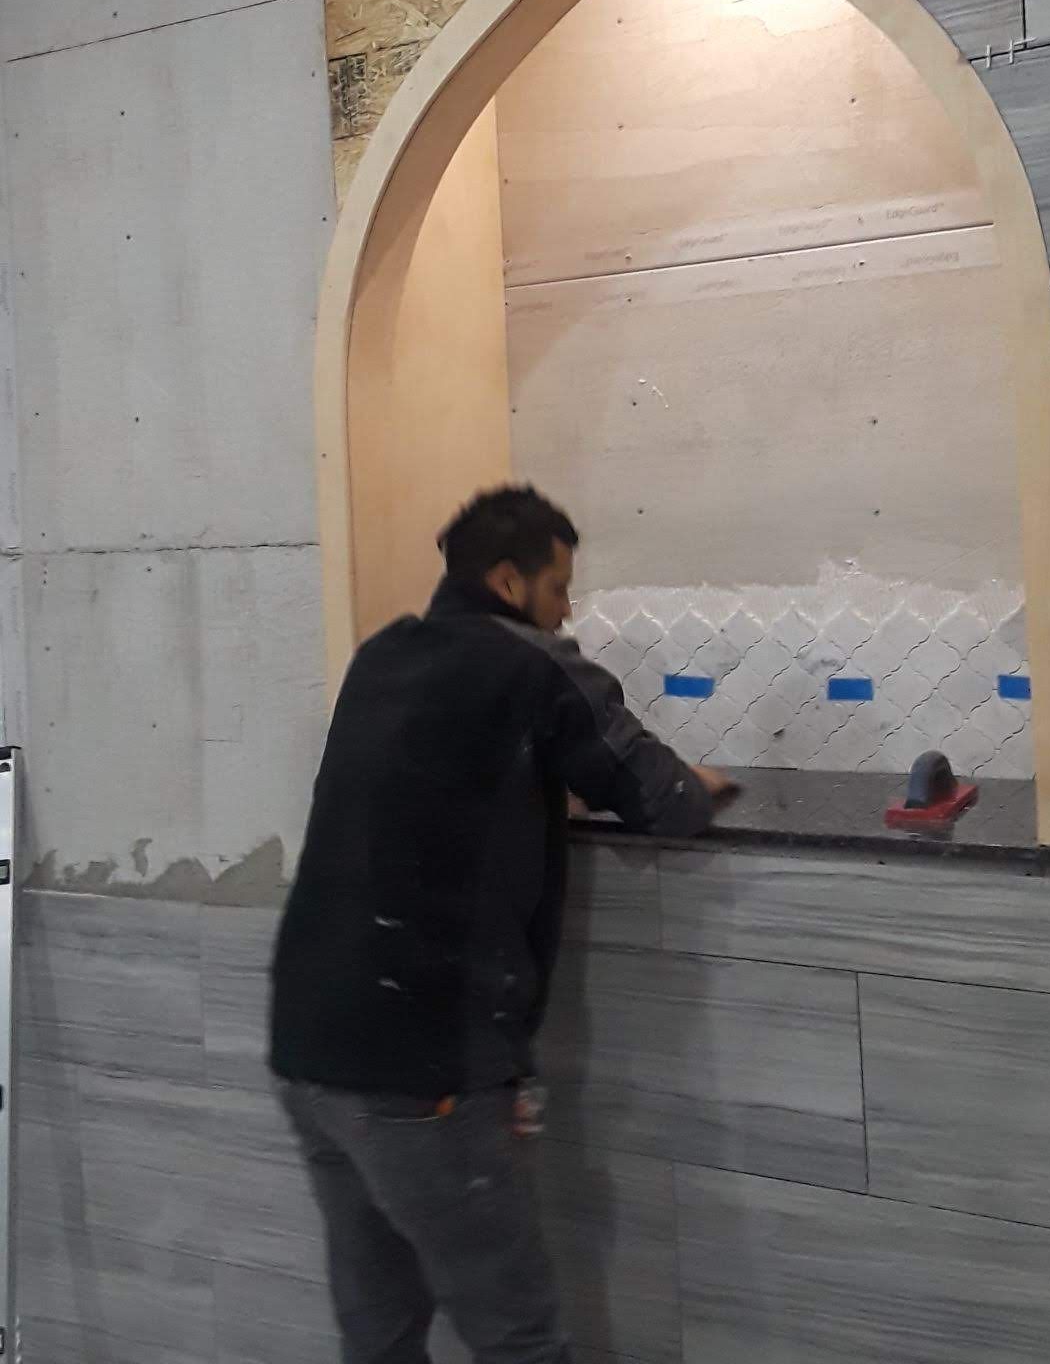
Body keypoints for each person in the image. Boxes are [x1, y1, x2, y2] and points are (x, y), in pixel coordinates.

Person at [269, 486, 737, 1363]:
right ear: (510, 582)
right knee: (517, 1338)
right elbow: (660, 798)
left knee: (379, 1333)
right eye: (561, 588)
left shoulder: (382, 656)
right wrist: (702, 783)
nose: (571, 611)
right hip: (422, 1066)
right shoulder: (534, 665)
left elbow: (441, 782)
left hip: (306, 1048)